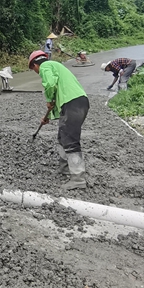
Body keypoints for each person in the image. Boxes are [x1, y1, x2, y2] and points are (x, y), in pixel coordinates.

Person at [28, 50, 90, 190]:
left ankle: (78, 178)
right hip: (77, 102)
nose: (36, 72)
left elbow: (50, 85)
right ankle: (65, 168)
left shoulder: (46, 66)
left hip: (73, 103)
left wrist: (48, 100)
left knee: (70, 139)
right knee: (63, 136)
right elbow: (59, 96)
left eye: (33, 70)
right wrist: (48, 117)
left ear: (35, 65)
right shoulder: (57, 67)